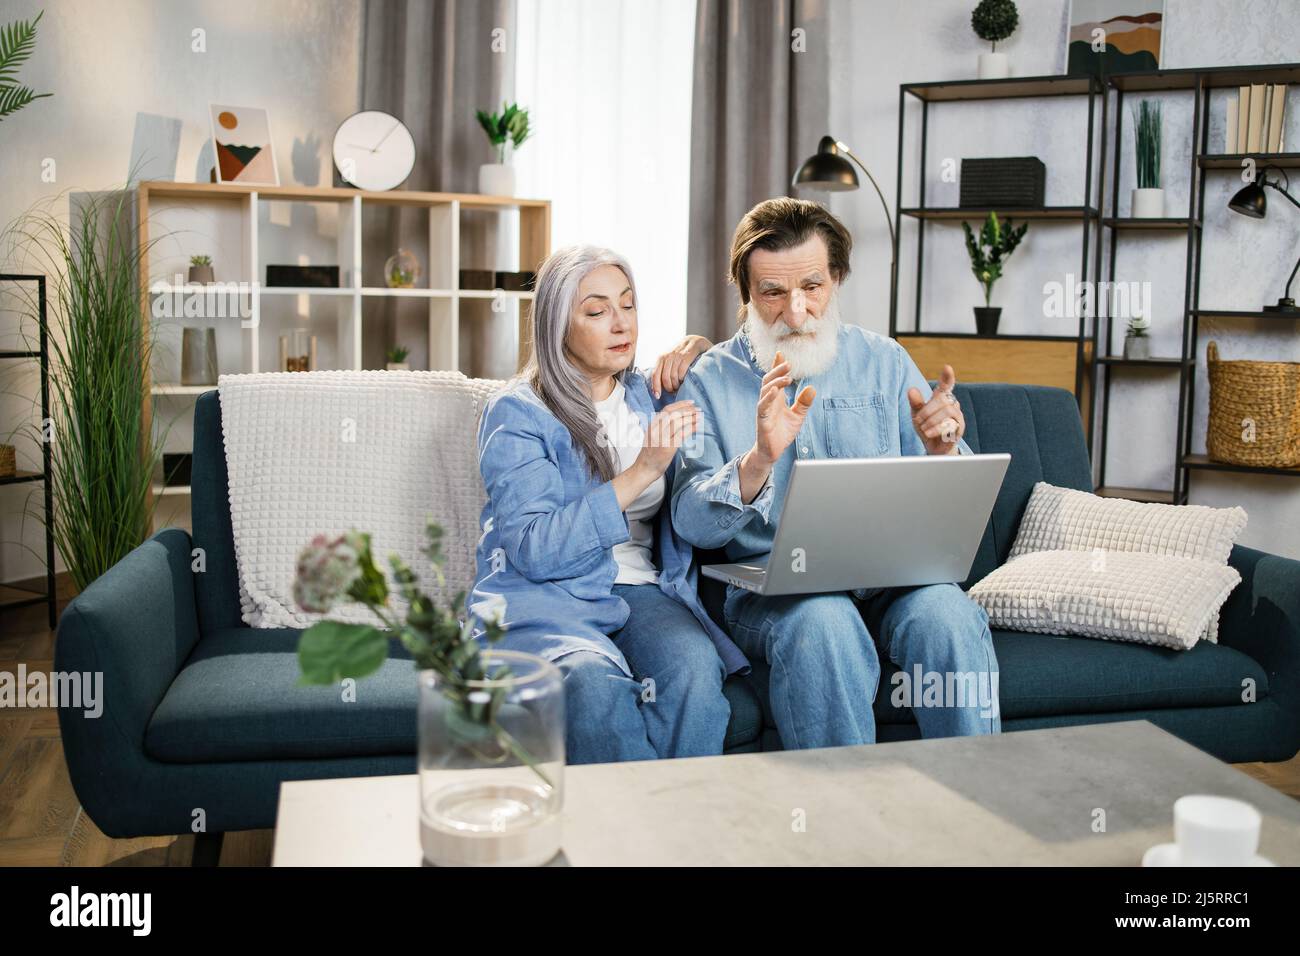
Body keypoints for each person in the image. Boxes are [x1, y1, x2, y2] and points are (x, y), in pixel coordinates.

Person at [671, 197, 1001, 750]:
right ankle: (840, 822)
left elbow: (950, 505)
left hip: (895, 581)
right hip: (779, 593)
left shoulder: (884, 360)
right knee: (824, 620)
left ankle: (977, 800)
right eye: (772, 292)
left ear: (838, 279)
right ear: (746, 292)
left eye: (812, 287)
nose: (795, 312)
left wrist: (940, 450)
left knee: (946, 613)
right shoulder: (710, 378)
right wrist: (759, 460)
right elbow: (690, 521)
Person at [468, 244, 749, 765]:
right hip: (547, 595)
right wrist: (642, 469)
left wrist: (701, 347)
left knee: (691, 666)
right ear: (557, 326)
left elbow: (729, 377)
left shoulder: (648, 394)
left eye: (628, 305)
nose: (621, 324)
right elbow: (534, 548)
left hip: (641, 590)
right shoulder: (516, 411)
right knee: (591, 686)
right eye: (596, 312)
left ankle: (687, 823)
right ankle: (630, 835)